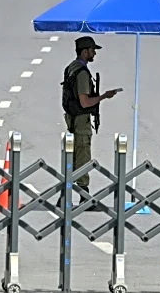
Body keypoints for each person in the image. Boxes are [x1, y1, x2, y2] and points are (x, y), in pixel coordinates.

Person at [61, 36, 119, 207]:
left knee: (73, 155)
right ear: (84, 51)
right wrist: (104, 96)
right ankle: (84, 196)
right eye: (92, 50)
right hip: (80, 120)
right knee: (83, 155)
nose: (94, 53)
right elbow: (85, 102)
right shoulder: (82, 73)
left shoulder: (71, 67)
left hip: (72, 118)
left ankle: (65, 195)